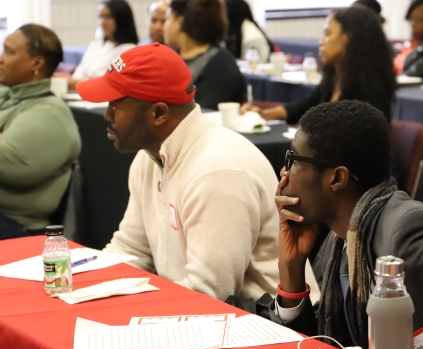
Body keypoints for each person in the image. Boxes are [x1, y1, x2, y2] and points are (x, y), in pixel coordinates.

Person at [75, 43, 319, 301]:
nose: (106, 115)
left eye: (116, 105)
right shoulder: (148, 158)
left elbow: (210, 293)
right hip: (200, 315)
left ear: (158, 113)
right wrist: (87, 289)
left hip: (269, 328)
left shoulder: (218, 171)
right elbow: (132, 249)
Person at [270, 100, 423, 349]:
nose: (284, 173)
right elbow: (322, 346)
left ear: (336, 178)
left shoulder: (407, 234)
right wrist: (292, 268)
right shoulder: (342, 238)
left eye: (293, 160)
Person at [242, 7, 396, 124]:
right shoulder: (334, 80)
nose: (321, 41)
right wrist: (263, 115)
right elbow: (305, 107)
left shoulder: (371, 92)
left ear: (348, 39)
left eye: (328, 34)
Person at [0, 24, 81, 240]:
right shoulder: (10, 96)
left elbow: (5, 162)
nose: (1, 58)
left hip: (16, 226)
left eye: (9, 52)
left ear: (36, 63)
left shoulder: (50, 114)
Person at [164, 0, 245, 110]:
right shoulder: (171, 57)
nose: (163, 27)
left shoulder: (220, 64)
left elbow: (204, 112)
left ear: (179, 22)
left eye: (167, 19)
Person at [69, 0, 138, 89]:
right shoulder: (94, 45)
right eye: (100, 16)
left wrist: (78, 82)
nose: (102, 22)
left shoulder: (129, 51)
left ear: (121, 19)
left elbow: (109, 82)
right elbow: (78, 75)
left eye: (107, 17)